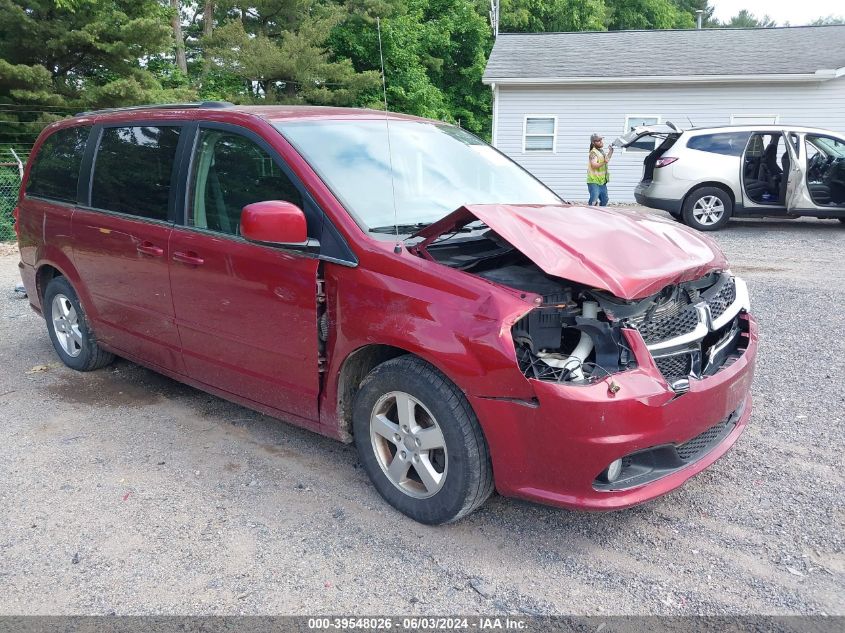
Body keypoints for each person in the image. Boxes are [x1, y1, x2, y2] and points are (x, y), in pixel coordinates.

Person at [587, 133, 613, 206]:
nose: (601, 141)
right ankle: (590, 212)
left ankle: (601, 214)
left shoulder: (601, 151)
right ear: (593, 142)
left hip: (602, 181)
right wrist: (604, 162)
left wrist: (611, 151)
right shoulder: (593, 152)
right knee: (593, 200)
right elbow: (594, 165)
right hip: (594, 181)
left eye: (601, 139)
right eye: (598, 140)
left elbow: (606, 159)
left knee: (605, 199)